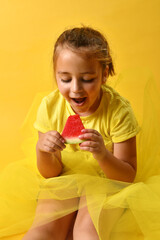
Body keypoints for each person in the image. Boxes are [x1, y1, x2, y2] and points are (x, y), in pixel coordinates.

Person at [22, 26, 140, 240]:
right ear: (56, 76)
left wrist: (103, 154)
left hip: (107, 183)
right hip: (63, 180)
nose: (76, 88)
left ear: (104, 75)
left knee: (85, 231)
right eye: (65, 79)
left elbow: (128, 175)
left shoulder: (119, 111)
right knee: (44, 230)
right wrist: (43, 151)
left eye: (87, 78)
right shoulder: (50, 107)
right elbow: (50, 173)